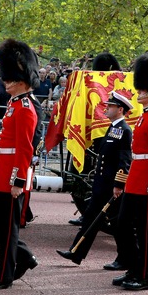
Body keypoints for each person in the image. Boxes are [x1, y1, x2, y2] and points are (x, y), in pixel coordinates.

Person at [0, 39, 40, 290]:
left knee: (6, 224)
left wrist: (17, 181)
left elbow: (25, 148)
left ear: (22, 80)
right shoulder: (14, 104)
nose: (6, 81)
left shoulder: (25, 108)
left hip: (12, 173)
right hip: (2, 169)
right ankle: (23, 257)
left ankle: (4, 274)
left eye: (10, 78)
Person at [112, 53, 148, 291]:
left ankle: (145, 275)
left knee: (145, 232)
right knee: (123, 225)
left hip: (147, 183)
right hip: (135, 179)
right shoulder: (144, 118)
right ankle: (132, 267)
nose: (140, 92)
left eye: (144, 88)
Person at [56, 91, 132, 265]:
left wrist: (119, 184)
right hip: (102, 185)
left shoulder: (124, 130)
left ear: (120, 109)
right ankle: (76, 252)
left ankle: (125, 258)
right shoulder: (113, 128)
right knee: (91, 218)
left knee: (118, 224)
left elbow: (124, 160)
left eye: (110, 106)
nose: (106, 108)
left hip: (112, 187)